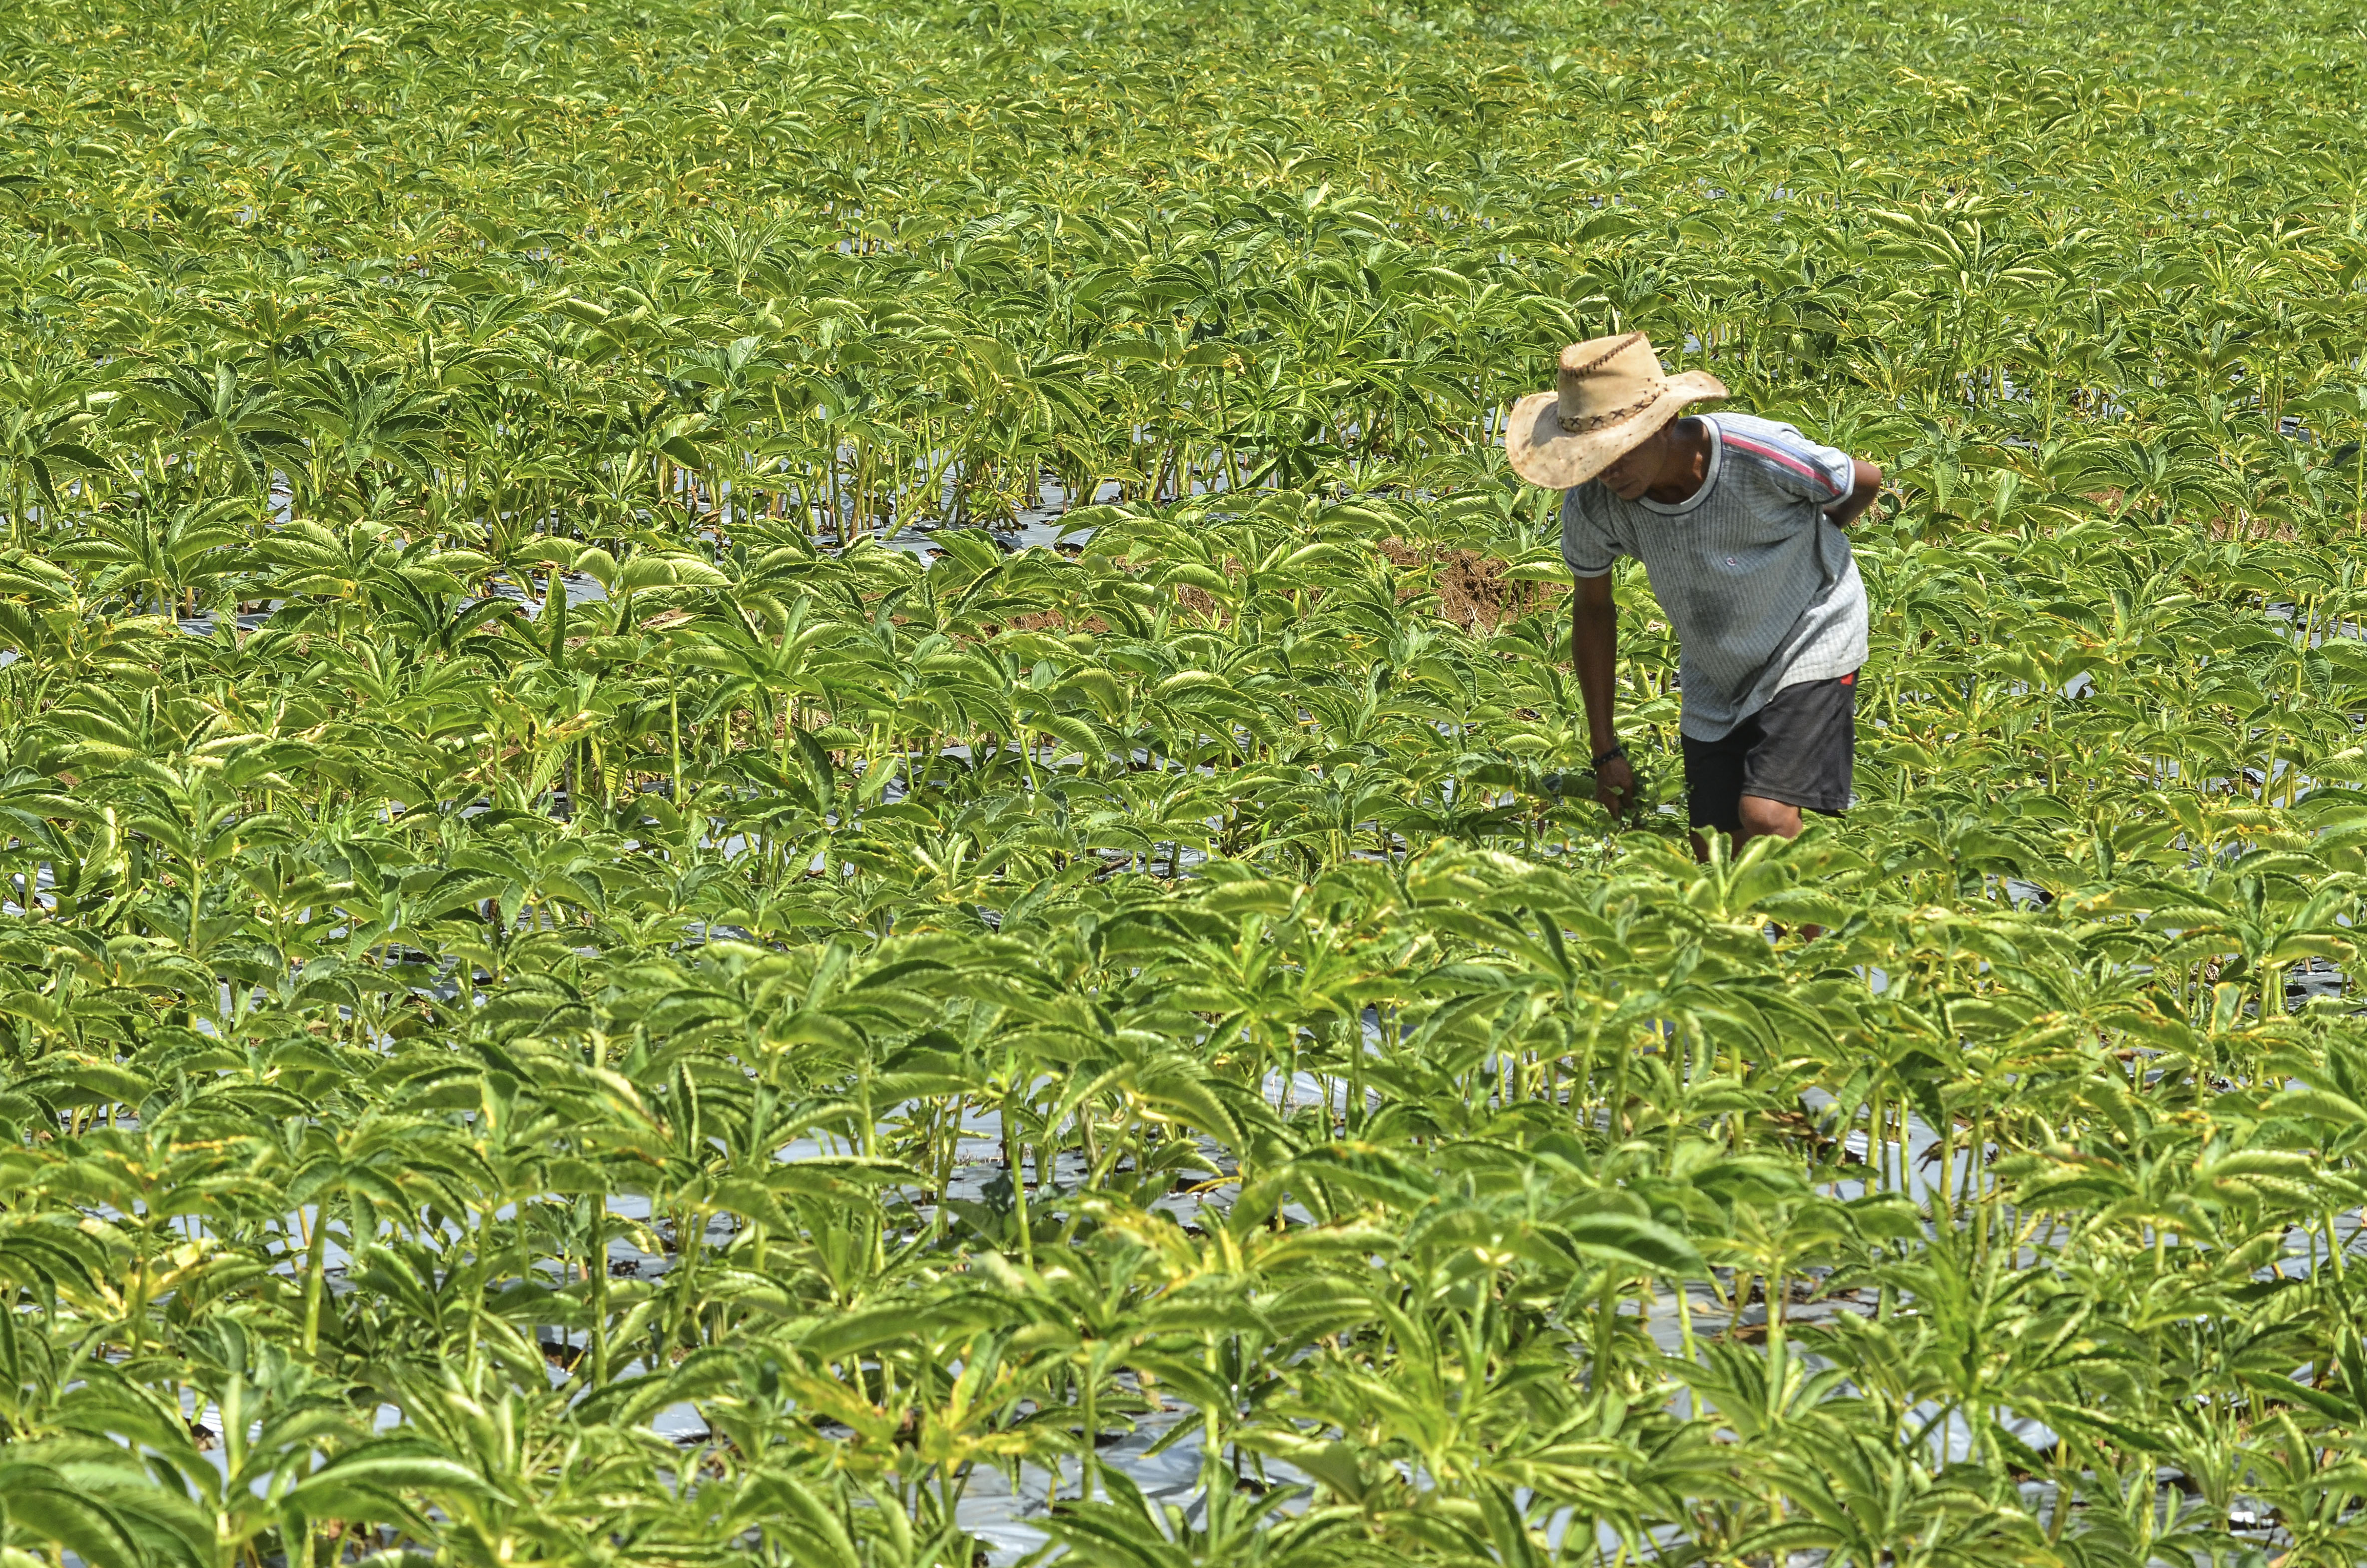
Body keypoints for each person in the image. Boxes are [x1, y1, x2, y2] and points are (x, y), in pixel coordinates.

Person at [1504, 332, 1883, 854]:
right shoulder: (1595, 505)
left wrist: (1819, 539)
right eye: (1591, 457)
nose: (1607, 471)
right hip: (1716, 667)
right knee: (1712, 848)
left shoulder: (1757, 456)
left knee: (1765, 816)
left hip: (1811, 634)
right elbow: (1594, 612)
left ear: (1663, 423)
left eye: (1618, 449)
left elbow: (1863, 480)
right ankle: (1765, 934)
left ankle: (1819, 937)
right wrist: (1604, 750)